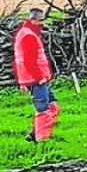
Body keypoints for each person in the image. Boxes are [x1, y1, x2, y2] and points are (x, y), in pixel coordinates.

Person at [13, 8, 60, 142]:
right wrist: (40, 78)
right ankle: (42, 140)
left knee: (53, 106)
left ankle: (34, 134)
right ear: (33, 20)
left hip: (32, 79)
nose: (41, 24)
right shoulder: (29, 36)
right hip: (36, 80)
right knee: (43, 110)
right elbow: (29, 60)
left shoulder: (24, 33)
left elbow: (19, 61)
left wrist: (22, 82)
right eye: (40, 21)